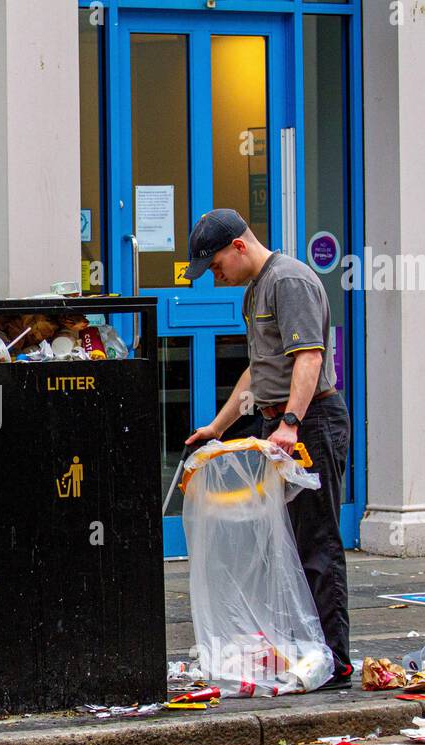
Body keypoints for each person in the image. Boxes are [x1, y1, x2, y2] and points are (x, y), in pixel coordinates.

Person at [182, 209, 353, 689]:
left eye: (215, 266)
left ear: (239, 246)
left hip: (311, 422)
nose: (215, 278)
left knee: (316, 540)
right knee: (287, 543)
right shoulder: (256, 290)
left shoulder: (289, 281)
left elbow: (309, 358)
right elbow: (259, 372)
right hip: (281, 423)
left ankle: (335, 659)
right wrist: (218, 427)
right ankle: (302, 647)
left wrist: (293, 424)